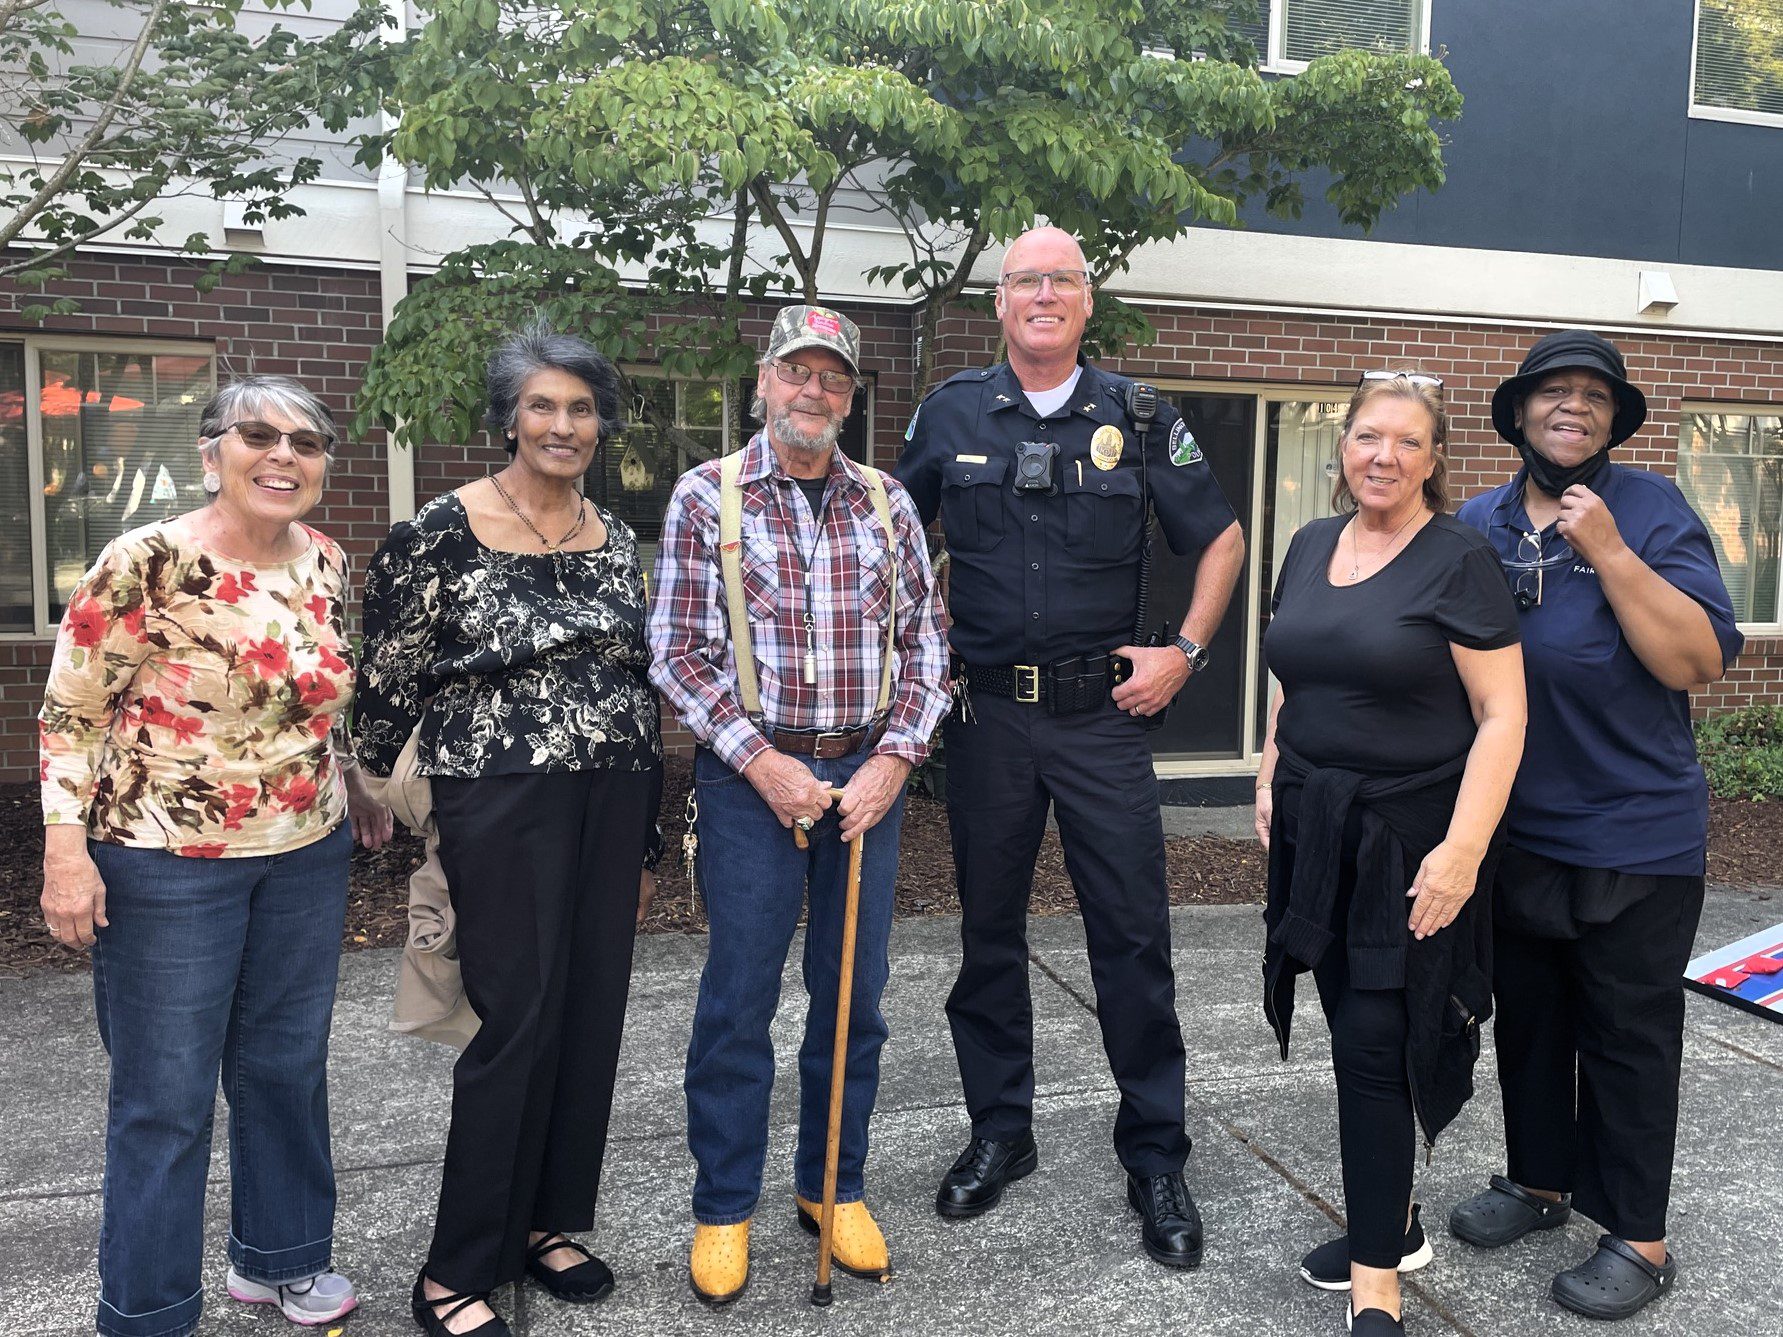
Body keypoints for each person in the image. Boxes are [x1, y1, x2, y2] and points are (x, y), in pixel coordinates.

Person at [894, 226, 1245, 1267]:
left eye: (1062, 280)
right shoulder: (949, 412)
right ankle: (1000, 1131)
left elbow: (1218, 536)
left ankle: (1155, 1154)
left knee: (1131, 940)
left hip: (1103, 718)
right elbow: (893, 535)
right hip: (991, 717)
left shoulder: (1138, 415)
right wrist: (924, 634)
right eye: (1024, 280)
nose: (1043, 294)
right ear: (1000, 302)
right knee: (988, 935)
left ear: (1087, 302)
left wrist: (1184, 650)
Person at [38, 375, 392, 1337]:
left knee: (285, 1066)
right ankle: (147, 1310)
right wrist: (66, 854)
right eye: (259, 435)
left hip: (304, 852)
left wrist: (353, 777)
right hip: (164, 862)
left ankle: (280, 1259)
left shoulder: (323, 558)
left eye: (306, 442)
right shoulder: (144, 560)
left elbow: (317, 697)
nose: (284, 455)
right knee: (166, 1096)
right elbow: (72, 713)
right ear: (212, 451)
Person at [354, 325, 664, 1337]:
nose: (563, 425)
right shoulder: (439, 531)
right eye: (543, 405)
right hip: (497, 795)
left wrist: (651, 839)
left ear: (600, 424)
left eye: (581, 408)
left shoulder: (619, 540)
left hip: (611, 793)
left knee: (589, 1013)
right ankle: (457, 1263)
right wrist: (406, 807)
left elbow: (638, 682)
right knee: (513, 1020)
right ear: (507, 419)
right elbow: (387, 685)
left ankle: (547, 1222)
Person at [648, 303, 948, 1304]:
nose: (811, 392)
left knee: (853, 995)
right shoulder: (706, 497)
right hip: (752, 784)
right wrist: (759, 762)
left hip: (865, 776)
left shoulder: (888, 503)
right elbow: (679, 654)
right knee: (739, 998)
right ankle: (723, 1201)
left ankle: (833, 1184)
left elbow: (927, 649)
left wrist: (893, 761)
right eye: (795, 372)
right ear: (764, 381)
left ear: (849, 398)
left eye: (831, 378)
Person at [1450, 331, 1741, 1321]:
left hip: (1634, 831)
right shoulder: (1477, 520)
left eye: (1593, 396)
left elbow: (1696, 661)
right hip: (1514, 828)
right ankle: (1539, 1181)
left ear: (1612, 420)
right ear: (1519, 412)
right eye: (1552, 392)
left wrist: (1608, 550)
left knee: (1625, 1035)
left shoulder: (1651, 511)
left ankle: (1638, 1234)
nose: (1571, 407)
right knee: (1529, 1024)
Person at [1256, 370, 1526, 1336]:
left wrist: (1461, 849)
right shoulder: (1309, 543)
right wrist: (1266, 770)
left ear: (1434, 460)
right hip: (1313, 827)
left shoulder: (1458, 559)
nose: (1384, 456)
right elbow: (1294, 667)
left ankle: (1377, 1279)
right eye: (1369, 436)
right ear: (1343, 446)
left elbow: (1502, 715)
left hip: (1408, 840)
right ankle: (1396, 1220)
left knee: (1375, 1044)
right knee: (1347, 1025)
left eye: (1407, 443)